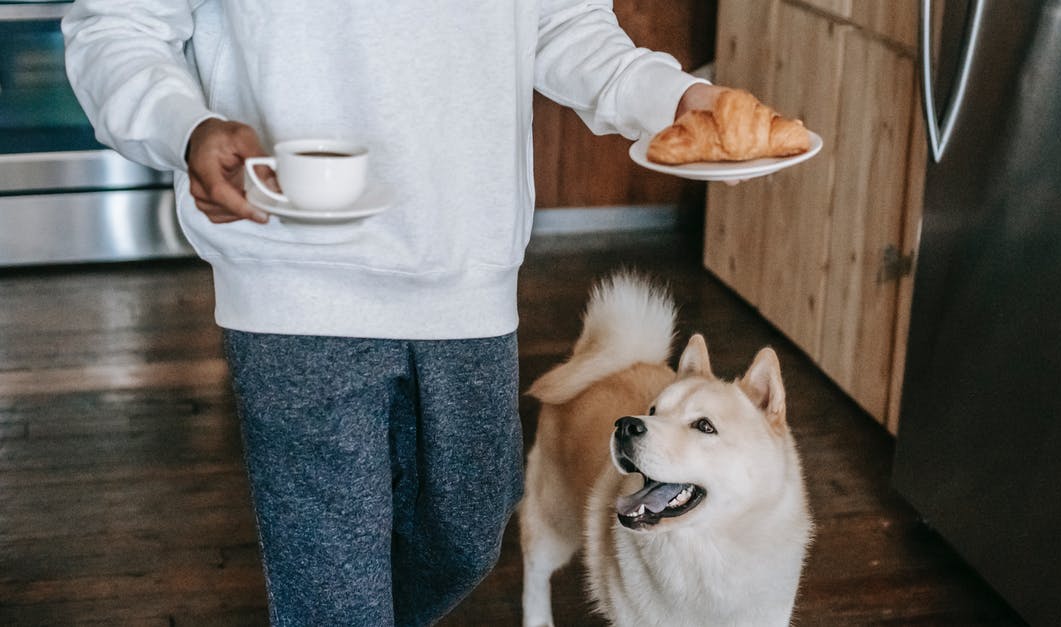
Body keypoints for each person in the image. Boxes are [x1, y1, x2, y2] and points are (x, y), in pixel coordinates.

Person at [63, 2, 725, 625]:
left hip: (467, 271)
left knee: (465, 542)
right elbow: (115, 24)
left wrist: (670, 99)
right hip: (291, 275)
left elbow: (560, 20)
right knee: (333, 595)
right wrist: (181, 125)